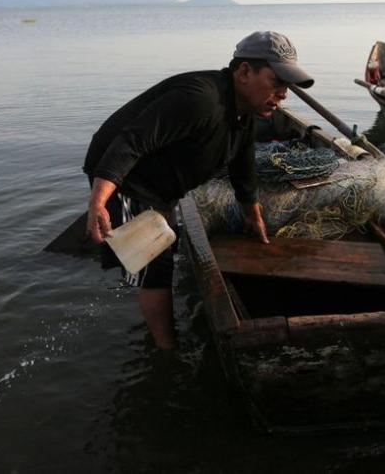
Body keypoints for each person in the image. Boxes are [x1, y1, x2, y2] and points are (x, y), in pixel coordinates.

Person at [82, 31, 314, 349]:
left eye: (287, 87)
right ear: (245, 72)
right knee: (156, 263)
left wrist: (253, 217)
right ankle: (166, 350)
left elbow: (243, 166)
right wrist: (99, 201)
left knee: (168, 239)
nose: (283, 95)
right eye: (277, 83)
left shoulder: (244, 111)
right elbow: (131, 141)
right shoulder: (200, 99)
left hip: (163, 184)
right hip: (129, 178)